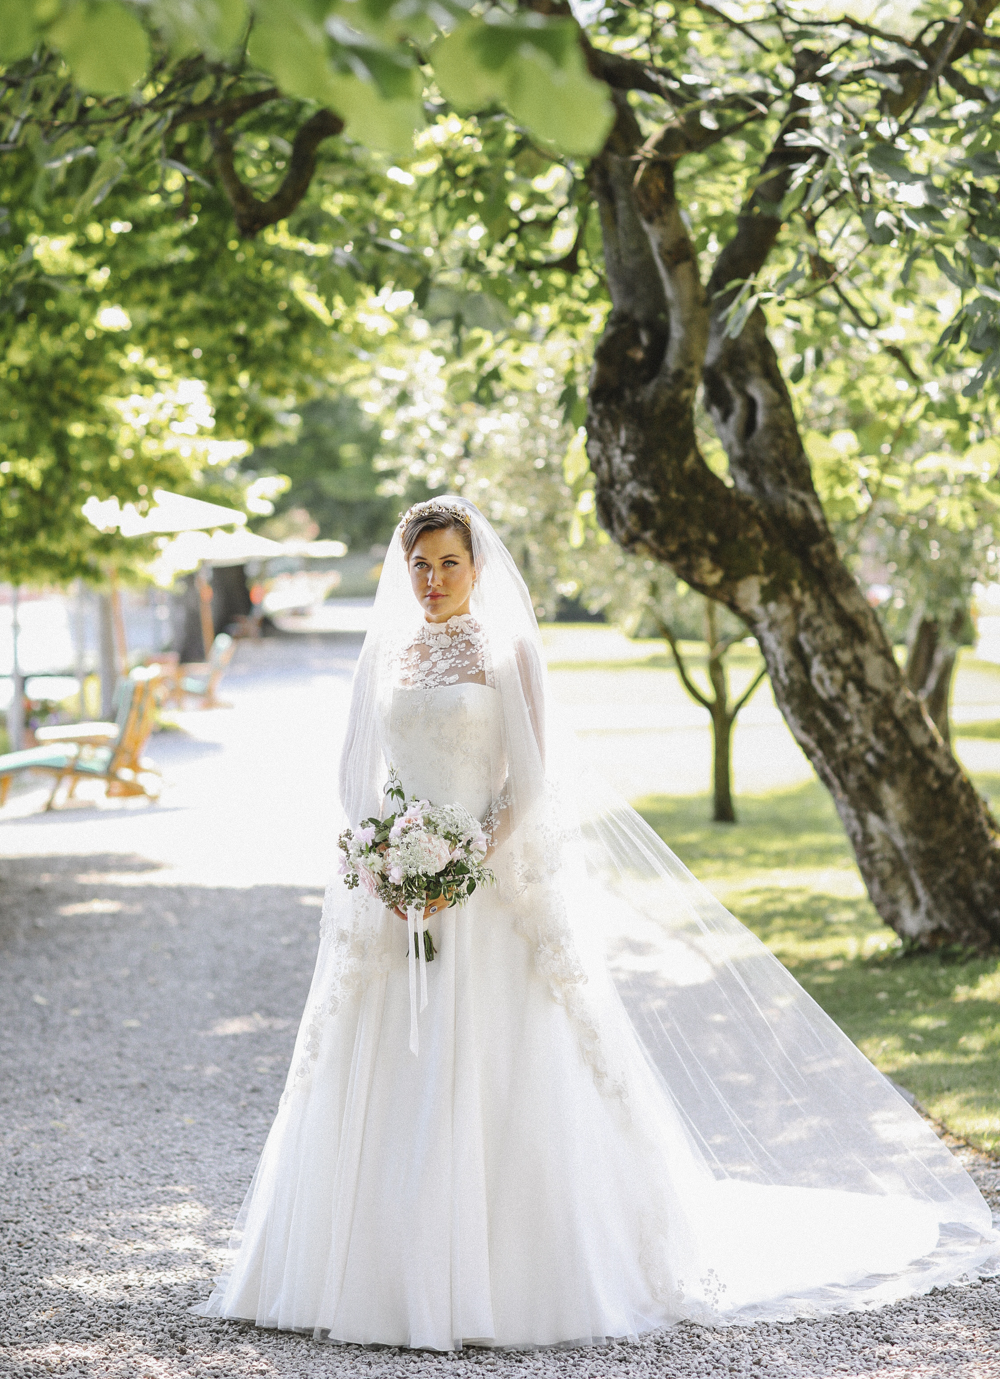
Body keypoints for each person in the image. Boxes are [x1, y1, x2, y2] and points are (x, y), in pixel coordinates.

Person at [196, 495, 999, 1349]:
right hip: (397, 895)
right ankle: (366, 1274)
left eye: (447, 564)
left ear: (478, 568)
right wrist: (384, 862)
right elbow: (356, 776)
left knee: (501, 1061)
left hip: (487, 891)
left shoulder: (508, 651)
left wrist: (462, 863)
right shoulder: (387, 652)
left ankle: (506, 1277)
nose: (431, 581)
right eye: (419, 566)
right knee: (381, 1060)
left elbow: (530, 781)